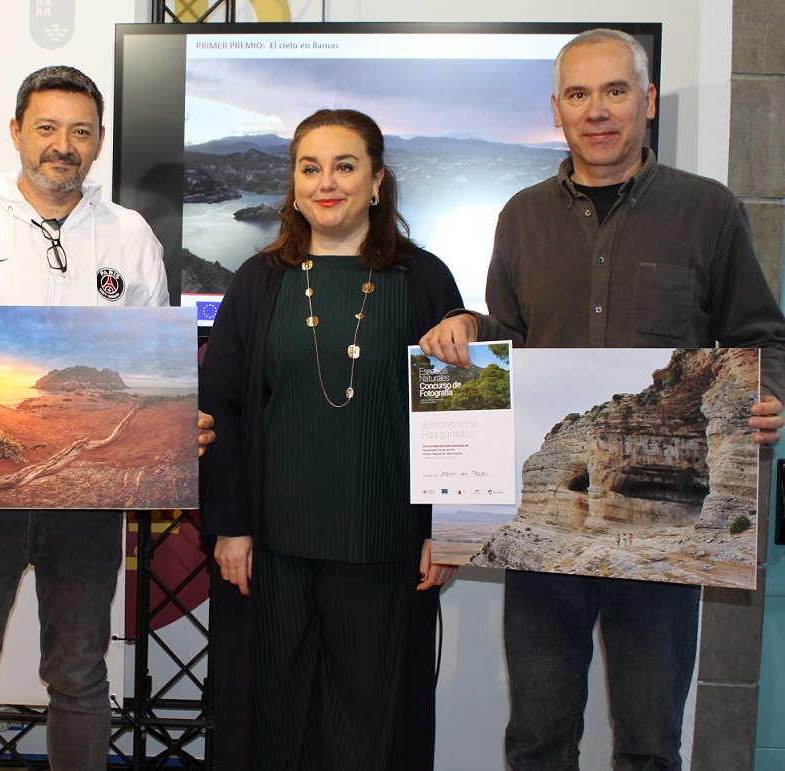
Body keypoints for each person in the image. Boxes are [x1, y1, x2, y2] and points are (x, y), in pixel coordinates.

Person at [420, 28, 785, 771]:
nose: (597, 111)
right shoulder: (521, 217)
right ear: (557, 110)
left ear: (646, 101)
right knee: (538, 737)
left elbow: (764, 337)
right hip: (549, 520)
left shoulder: (707, 210)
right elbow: (512, 342)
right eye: (579, 95)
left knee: (650, 744)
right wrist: (468, 333)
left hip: (667, 523)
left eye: (615, 91)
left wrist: (771, 393)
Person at [0, 65, 214, 771]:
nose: (62, 145)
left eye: (79, 131)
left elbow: (150, 353)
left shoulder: (131, 237)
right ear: (16, 132)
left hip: (90, 502)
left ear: (99, 142)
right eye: (46, 128)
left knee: (79, 676)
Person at [200, 108, 462, 770]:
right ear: (292, 184)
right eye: (309, 168)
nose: (327, 182)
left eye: (345, 166)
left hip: (385, 550)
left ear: (377, 181)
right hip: (271, 552)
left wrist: (453, 530)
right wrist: (230, 526)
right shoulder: (258, 282)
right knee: (269, 719)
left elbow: (459, 418)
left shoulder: (427, 282)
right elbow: (221, 411)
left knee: (370, 727)